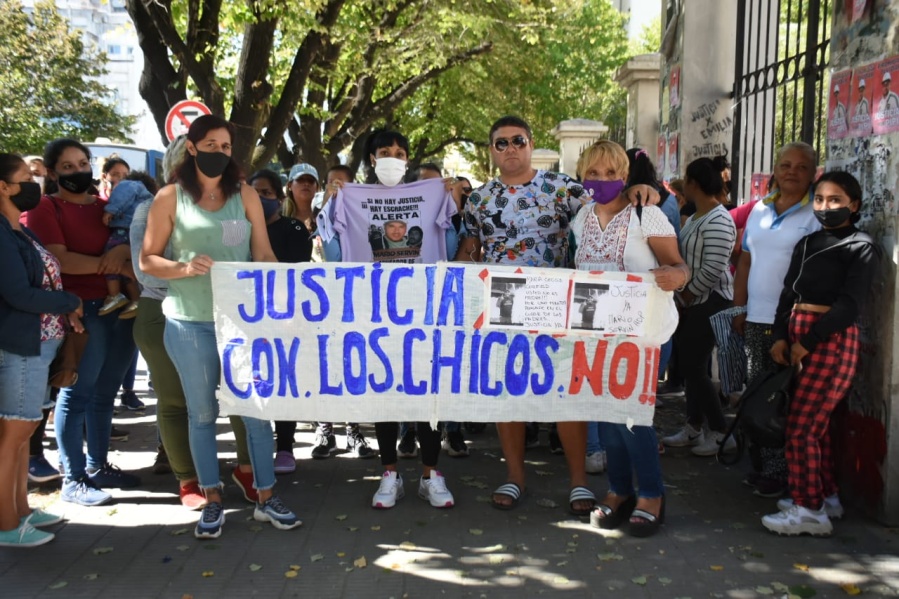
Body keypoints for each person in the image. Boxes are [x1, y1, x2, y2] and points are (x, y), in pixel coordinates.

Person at [457, 117, 662, 516]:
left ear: (531, 144)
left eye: (518, 140)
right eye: (501, 143)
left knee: (568, 394)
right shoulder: (478, 199)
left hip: (562, 306)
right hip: (505, 305)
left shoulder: (565, 188)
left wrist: (643, 188)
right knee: (510, 394)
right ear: (492, 150)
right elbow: (469, 249)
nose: (511, 148)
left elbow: (611, 205)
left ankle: (579, 483)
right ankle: (515, 476)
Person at [141, 114, 301, 538]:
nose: (219, 153)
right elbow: (147, 259)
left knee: (256, 412)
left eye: (226, 147)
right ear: (191, 148)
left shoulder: (245, 195)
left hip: (243, 323)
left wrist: (288, 286)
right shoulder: (169, 198)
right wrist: (183, 266)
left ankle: (267, 496)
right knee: (202, 414)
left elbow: (263, 254)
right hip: (189, 323)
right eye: (210, 145)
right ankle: (211, 499)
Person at [322, 129, 459, 509]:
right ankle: (390, 474)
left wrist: (449, 202)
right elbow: (335, 257)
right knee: (385, 394)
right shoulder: (350, 197)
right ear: (371, 158)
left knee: (429, 395)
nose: (393, 158)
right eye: (385, 151)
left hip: (424, 310)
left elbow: (446, 251)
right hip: (374, 312)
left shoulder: (429, 194)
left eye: (400, 152)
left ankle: (431, 474)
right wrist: (331, 203)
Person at [566, 139, 686, 535]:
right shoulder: (581, 218)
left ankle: (652, 493)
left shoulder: (644, 215)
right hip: (596, 335)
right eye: (593, 173)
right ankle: (619, 490)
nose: (602, 180)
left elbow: (677, 266)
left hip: (644, 333)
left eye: (611, 173)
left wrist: (676, 276)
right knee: (607, 415)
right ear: (582, 176)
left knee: (633, 417)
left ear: (625, 176)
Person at [24, 138, 141, 507]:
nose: (78, 171)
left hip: (122, 309)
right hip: (81, 312)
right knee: (77, 394)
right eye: (68, 166)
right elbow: (59, 261)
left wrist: (122, 257)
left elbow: (132, 246)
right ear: (53, 172)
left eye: (82, 163)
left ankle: (97, 466)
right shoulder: (46, 209)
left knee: (105, 393)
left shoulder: (109, 208)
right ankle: (74, 479)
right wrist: (115, 264)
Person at [761, 171, 879, 536]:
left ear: (853, 205)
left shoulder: (861, 246)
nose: (825, 207)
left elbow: (848, 305)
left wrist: (806, 342)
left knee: (802, 427)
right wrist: (781, 335)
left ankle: (809, 510)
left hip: (831, 340)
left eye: (835, 200)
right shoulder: (808, 242)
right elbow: (788, 293)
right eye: (820, 200)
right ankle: (824, 495)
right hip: (797, 335)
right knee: (817, 428)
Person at [0, 153, 83, 546]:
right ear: (4, 187)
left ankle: (21, 510)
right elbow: (18, 293)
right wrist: (68, 302)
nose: (35, 183)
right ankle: (6, 524)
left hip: (41, 344)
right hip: (20, 345)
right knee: (13, 436)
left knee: (23, 431)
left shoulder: (20, 231)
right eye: (25, 177)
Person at [732, 142, 820, 497]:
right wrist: (740, 308)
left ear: (813, 172)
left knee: (787, 401)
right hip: (756, 317)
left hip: (795, 324)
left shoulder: (816, 212)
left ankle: (783, 474)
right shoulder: (760, 210)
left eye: (801, 166)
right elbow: (745, 262)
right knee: (759, 396)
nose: (792, 172)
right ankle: (765, 466)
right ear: (775, 169)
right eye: (785, 165)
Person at [662, 158, 737, 456]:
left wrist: (688, 297)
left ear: (693, 184)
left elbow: (713, 268)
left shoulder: (718, 219)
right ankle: (694, 426)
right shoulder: (696, 217)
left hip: (710, 302)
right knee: (691, 367)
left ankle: (720, 431)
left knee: (695, 367)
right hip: (690, 300)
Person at [99, 180, 143, 318]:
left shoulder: (130, 185)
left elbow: (124, 194)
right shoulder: (147, 200)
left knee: (111, 259)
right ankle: (136, 300)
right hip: (134, 231)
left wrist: (110, 210)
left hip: (123, 229)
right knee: (127, 270)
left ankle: (115, 295)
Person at [282, 162, 319, 231]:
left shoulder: (325, 216)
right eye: (300, 179)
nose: (306, 183)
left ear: (317, 188)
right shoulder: (279, 217)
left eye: (311, 180)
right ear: (289, 185)